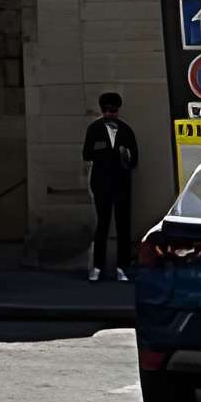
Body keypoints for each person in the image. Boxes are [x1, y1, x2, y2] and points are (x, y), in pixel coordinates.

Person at [83, 91, 140, 281]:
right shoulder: (94, 129)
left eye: (113, 110)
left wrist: (126, 157)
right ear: (102, 110)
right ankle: (98, 267)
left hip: (121, 183)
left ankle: (122, 267)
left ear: (117, 110)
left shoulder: (126, 130)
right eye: (106, 110)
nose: (109, 114)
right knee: (103, 224)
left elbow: (135, 159)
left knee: (123, 225)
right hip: (102, 183)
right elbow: (86, 154)